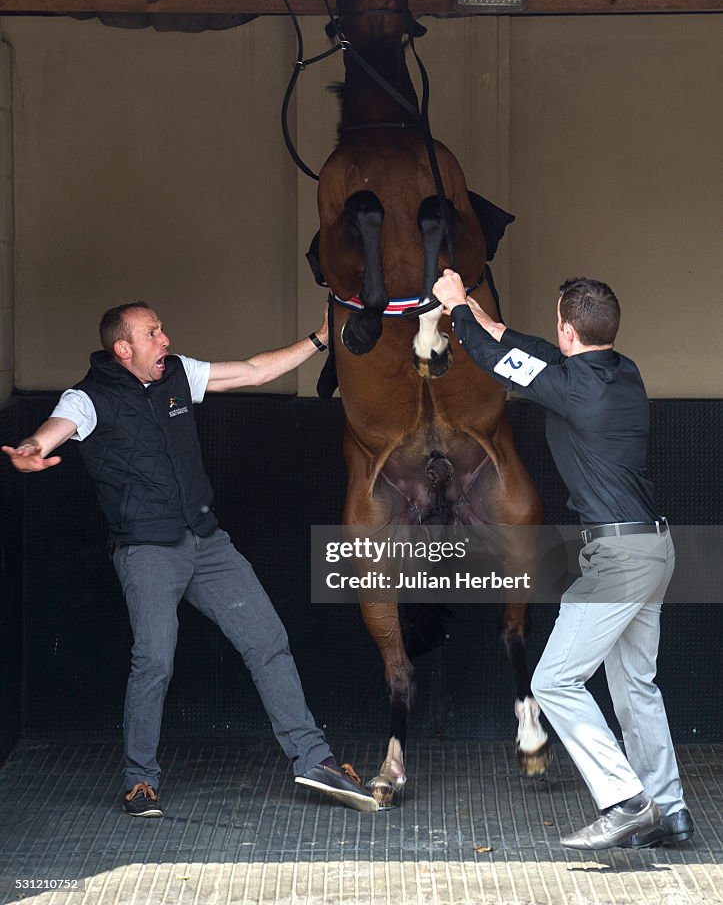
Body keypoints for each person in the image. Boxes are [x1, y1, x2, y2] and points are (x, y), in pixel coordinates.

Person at [3, 301, 377, 817]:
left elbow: (252, 370)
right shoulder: (88, 398)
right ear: (123, 349)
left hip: (206, 542)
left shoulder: (177, 374)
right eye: (153, 333)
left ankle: (314, 759)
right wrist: (30, 448)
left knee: (267, 640)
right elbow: (54, 428)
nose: (165, 339)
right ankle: (140, 781)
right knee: (154, 660)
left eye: (161, 330)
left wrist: (320, 340)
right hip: (145, 550)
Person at [432, 270, 692, 851]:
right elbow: (527, 350)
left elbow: (492, 358)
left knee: (553, 680)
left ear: (568, 328)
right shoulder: (622, 372)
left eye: (558, 326)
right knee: (635, 686)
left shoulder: (574, 389)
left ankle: (625, 800)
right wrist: (482, 312)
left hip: (620, 558)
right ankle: (669, 811)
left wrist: (454, 309)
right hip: (652, 548)